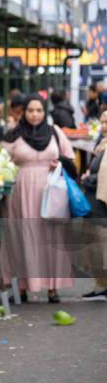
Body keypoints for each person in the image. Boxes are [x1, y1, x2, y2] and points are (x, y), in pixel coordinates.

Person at [0, 94, 74, 303]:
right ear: (24, 112)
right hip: (20, 192)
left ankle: (52, 287)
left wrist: (58, 164)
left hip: (50, 193)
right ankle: (21, 287)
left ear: (44, 112)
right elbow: (1, 161)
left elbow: (70, 158)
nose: (34, 115)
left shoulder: (54, 132)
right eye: (30, 110)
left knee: (50, 239)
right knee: (22, 237)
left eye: (39, 110)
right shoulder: (13, 135)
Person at [81, 111, 107, 301]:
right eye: (103, 122)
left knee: (101, 245)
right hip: (94, 202)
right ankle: (101, 286)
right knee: (95, 246)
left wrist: (88, 178)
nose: (104, 126)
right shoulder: (102, 144)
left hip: (101, 203)